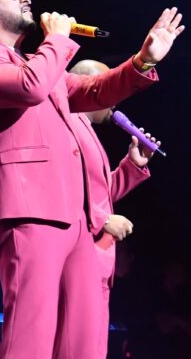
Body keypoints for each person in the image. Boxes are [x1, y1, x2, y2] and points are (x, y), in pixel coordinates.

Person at [0, 0, 183, 359]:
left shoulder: (39, 64)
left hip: (75, 219)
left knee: (83, 341)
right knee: (31, 338)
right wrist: (57, 39)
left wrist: (143, 60)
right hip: (28, 210)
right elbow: (29, 88)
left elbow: (95, 91)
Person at [70, 58, 160, 349]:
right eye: (108, 87)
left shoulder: (84, 130)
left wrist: (132, 166)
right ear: (89, 87)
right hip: (82, 257)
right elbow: (60, 193)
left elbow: (96, 193)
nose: (114, 99)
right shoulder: (68, 127)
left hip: (96, 260)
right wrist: (102, 220)